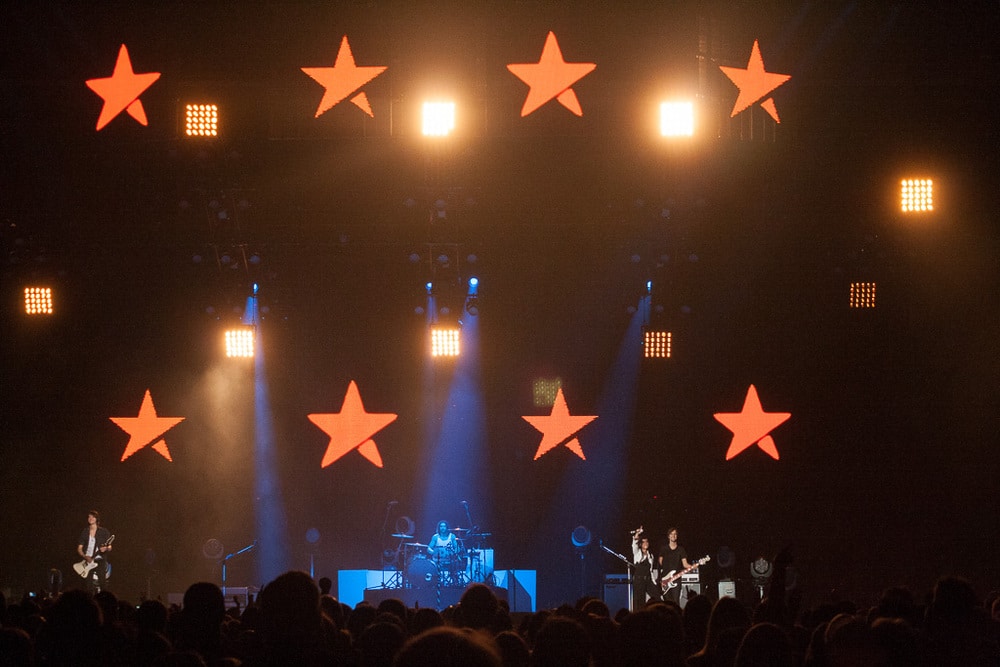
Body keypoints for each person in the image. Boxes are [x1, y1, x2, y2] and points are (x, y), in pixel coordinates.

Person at [76, 510, 113, 593]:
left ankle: (103, 598)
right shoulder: (85, 531)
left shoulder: (104, 532)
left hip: (100, 559)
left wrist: (106, 548)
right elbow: (79, 548)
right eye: (89, 517)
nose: (90, 518)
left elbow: (110, 546)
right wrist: (85, 556)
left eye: (93, 517)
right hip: (88, 560)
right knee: (88, 585)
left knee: (102, 583)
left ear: (97, 519)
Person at [658, 527, 691, 604]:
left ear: (677, 536)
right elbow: (660, 562)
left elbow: (685, 564)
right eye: (671, 534)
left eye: (675, 534)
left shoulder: (681, 550)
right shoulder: (663, 549)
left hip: (676, 579)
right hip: (665, 579)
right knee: (667, 603)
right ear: (668, 536)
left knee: (676, 602)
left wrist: (694, 566)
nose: (673, 535)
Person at [630, 526, 661, 605]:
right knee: (640, 602)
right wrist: (637, 533)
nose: (646, 543)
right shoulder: (637, 553)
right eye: (643, 542)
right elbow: (634, 543)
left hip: (648, 580)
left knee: (657, 598)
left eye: (647, 541)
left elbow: (650, 570)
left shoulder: (651, 556)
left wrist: (654, 582)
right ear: (640, 544)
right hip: (639, 580)